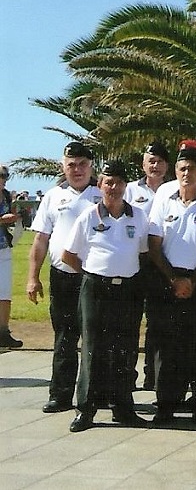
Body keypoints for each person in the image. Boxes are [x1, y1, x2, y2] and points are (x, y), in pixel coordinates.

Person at [61, 160, 149, 432]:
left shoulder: (139, 216)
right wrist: (92, 274)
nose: (113, 187)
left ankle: (122, 408)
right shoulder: (89, 216)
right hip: (96, 289)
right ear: (99, 186)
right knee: (93, 348)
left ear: (125, 186)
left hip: (128, 289)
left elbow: (143, 252)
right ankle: (85, 409)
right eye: (108, 182)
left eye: (119, 183)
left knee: (125, 348)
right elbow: (69, 255)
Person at [146, 148, 196, 424]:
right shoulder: (163, 200)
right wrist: (173, 279)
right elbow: (154, 246)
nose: (186, 174)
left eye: (192, 169)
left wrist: (192, 281)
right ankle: (166, 404)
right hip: (167, 280)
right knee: (166, 347)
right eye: (181, 169)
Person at [27, 141, 102, 413]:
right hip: (62, 276)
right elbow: (40, 240)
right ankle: (60, 395)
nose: (77, 169)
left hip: (94, 278)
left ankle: (95, 394)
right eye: (71, 165)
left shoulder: (103, 193)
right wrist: (32, 277)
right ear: (63, 166)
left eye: (83, 164)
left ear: (91, 166)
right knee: (64, 337)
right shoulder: (53, 196)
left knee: (95, 338)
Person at [124, 141, 170, 390]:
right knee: (130, 320)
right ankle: (127, 376)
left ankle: (153, 375)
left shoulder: (174, 190)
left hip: (161, 263)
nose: (155, 166)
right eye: (151, 161)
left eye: (160, 162)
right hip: (135, 261)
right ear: (143, 164)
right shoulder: (130, 190)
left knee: (157, 321)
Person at [0, 164, 23, 348]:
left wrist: (17, 217)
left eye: (5, 176)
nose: (2, 179)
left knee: (5, 293)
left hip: (4, 248)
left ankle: (3, 332)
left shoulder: (7, 196)